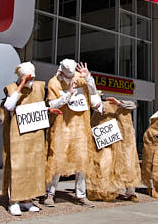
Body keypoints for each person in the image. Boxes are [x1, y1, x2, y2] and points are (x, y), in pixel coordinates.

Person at [1, 62, 62, 216]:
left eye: (32, 77)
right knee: (18, 165)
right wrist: (20, 86)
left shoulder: (39, 87)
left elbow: (37, 106)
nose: (31, 80)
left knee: (33, 166)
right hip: (18, 134)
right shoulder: (11, 88)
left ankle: (27, 200)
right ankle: (14, 200)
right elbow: (9, 106)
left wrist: (48, 110)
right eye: (28, 77)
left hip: (34, 133)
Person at [42, 59, 103, 207]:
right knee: (56, 159)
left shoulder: (81, 78)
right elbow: (52, 104)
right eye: (68, 76)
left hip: (81, 127)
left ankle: (80, 195)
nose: (72, 79)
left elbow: (94, 95)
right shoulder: (53, 83)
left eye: (73, 75)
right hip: (61, 126)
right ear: (61, 72)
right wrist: (68, 94)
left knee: (82, 160)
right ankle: (50, 193)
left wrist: (88, 77)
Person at [87, 95, 141, 202]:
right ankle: (104, 190)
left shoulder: (118, 106)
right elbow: (94, 126)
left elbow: (133, 105)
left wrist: (119, 103)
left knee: (128, 166)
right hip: (108, 144)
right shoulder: (98, 111)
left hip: (125, 143)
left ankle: (130, 192)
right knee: (105, 166)